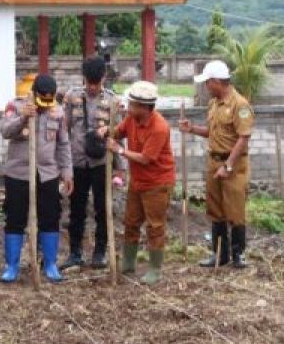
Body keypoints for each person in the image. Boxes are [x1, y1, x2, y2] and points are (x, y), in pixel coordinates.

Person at [0, 73, 73, 284]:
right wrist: (22, 117)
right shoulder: (15, 106)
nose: (46, 103)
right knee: (15, 219)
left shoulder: (57, 111)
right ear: (34, 93)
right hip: (18, 174)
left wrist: (67, 172)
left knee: (50, 218)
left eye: (50, 98)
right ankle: (11, 266)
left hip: (47, 174)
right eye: (43, 98)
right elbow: (5, 131)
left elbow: (63, 144)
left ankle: (49, 264)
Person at [180, 60, 255, 268]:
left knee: (235, 209)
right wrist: (192, 128)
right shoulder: (213, 104)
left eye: (207, 83)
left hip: (234, 165)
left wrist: (228, 165)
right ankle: (219, 254)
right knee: (216, 210)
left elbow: (243, 138)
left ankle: (238, 255)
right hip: (214, 161)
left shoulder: (240, 105)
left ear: (216, 82)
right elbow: (212, 132)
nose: (205, 87)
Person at [109, 80, 176, 285]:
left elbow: (147, 159)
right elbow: (118, 132)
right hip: (137, 181)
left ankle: (155, 269)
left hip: (157, 182)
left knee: (155, 226)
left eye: (132, 104)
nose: (128, 108)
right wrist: (107, 131)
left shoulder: (159, 127)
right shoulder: (131, 119)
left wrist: (119, 150)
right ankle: (129, 262)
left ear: (144, 107)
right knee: (131, 222)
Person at [61, 56, 122, 270]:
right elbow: (64, 130)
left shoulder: (114, 101)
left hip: (101, 163)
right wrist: (63, 165)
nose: (93, 87)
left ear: (104, 78)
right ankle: (75, 252)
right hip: (77, 161)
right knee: (76, 209)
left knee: (102, 208)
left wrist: (119, 168)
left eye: (97, 83)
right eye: (90, 82)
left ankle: (100, 252)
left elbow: (118, 136)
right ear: (84, 78)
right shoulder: (71, 97)